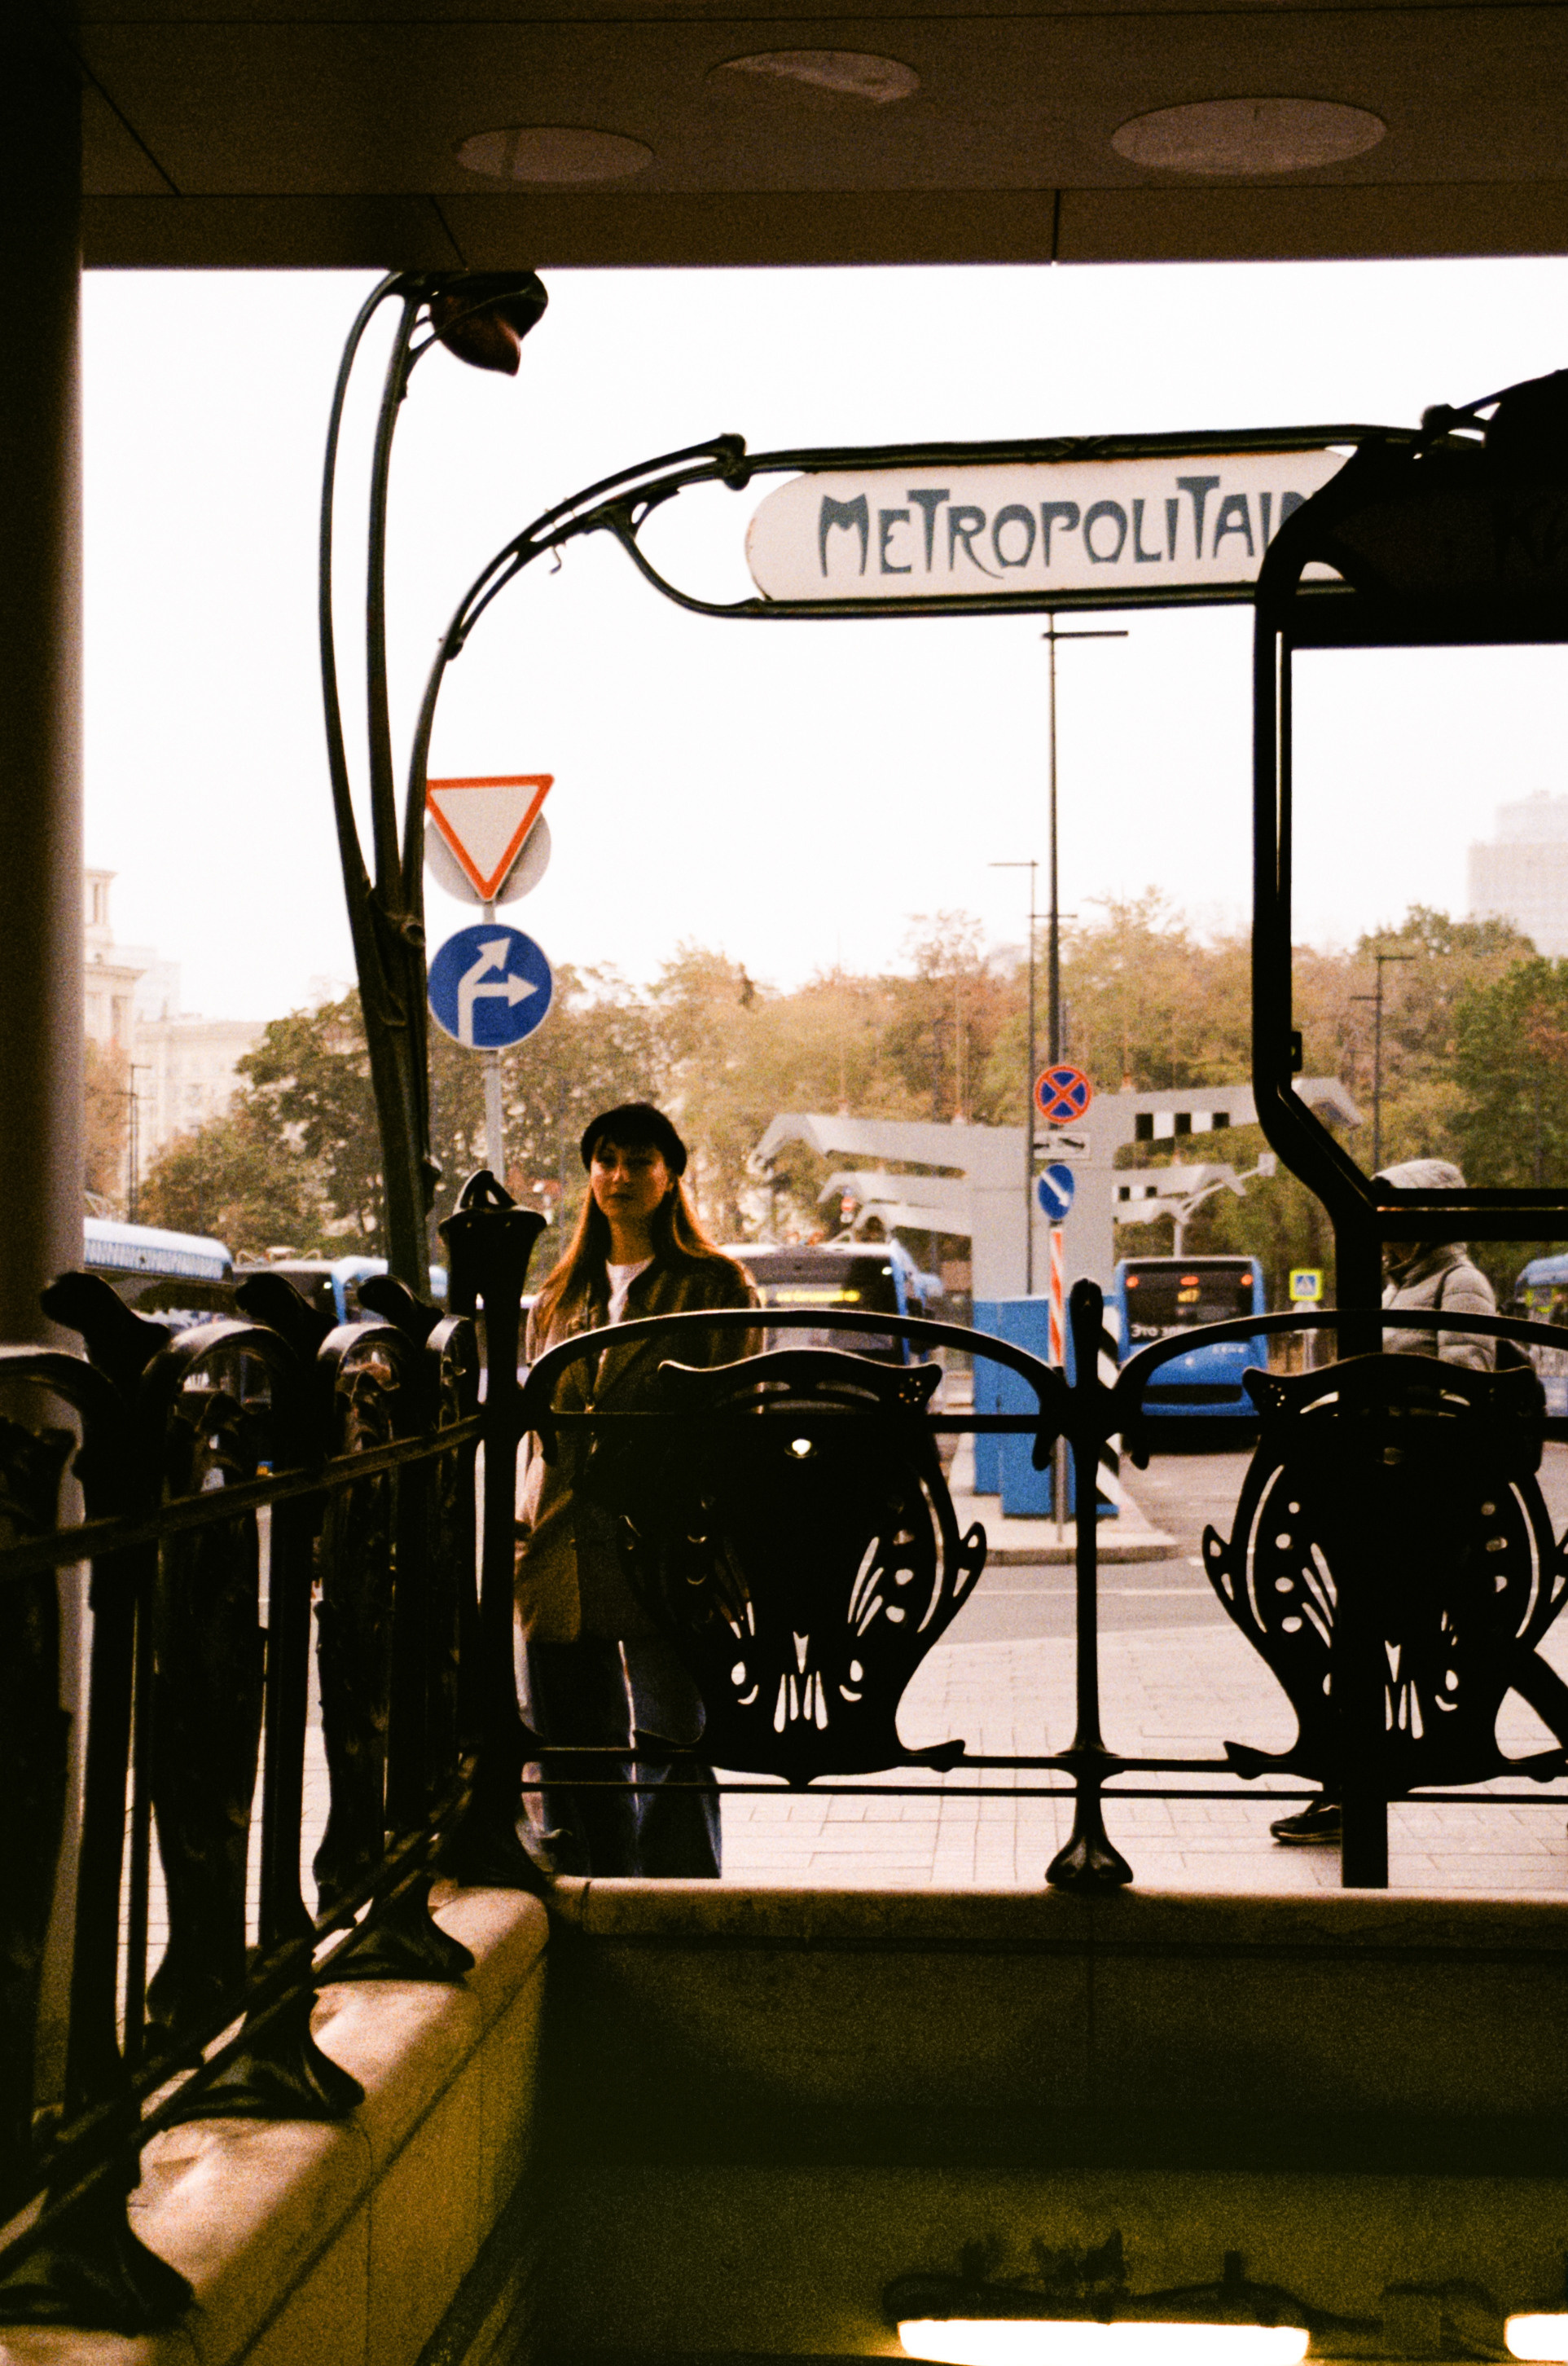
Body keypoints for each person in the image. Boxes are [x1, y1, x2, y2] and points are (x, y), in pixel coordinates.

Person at [515, 1102, 758, 1876]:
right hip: (561, 1539)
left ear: (671, 1174)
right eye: (606, 1160)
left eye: (639, 1161)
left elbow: (736, 1421)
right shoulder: (562, 1291)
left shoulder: (713, 1283)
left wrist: (723, 1543)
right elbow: (538, 1428)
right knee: (571, 1743)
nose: (619, 1176)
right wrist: (522, 1522)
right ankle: (591, 1887)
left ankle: (676, 1901)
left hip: (668, 1538)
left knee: (672, 1736)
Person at [1270, 1157, 1497, 1845]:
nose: (1385, 1223)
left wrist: (1393, 1408)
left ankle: (1350, 1789)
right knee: (1366, 1635)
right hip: (1389, 1489)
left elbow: (1467, 1378)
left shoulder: (1459, 1283)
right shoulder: (1403, 1282)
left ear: (1430, 1217)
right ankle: (1346, 1786)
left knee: (1376, 1634)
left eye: (1398, 1210)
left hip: (1422, 1495)